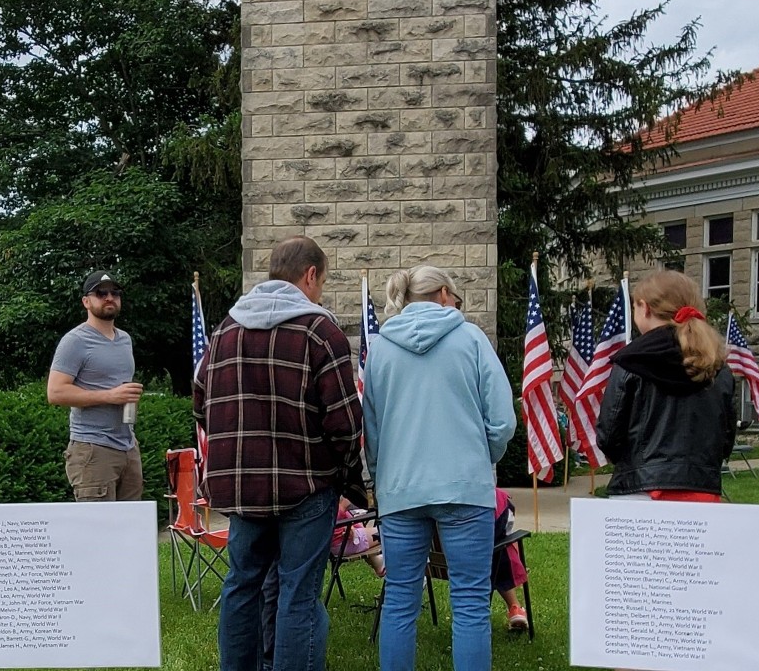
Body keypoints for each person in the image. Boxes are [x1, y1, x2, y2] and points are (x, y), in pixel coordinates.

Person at [194, 235, 363, 671]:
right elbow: (345, 423)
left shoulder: (224, 331)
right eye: (322, 282)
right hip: (306, 485)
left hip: (242, 488)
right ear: (311, 275)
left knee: (242, 585)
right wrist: (345, 476)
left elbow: (200, 403)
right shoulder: (320, 331)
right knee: (298, 594)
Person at [362, 264, 517, 671]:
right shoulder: (471, 339)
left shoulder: (380, 349)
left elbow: (371, 429)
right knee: (470, 602)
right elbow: (502, 421)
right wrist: (482, 457)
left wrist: (381, 477)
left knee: (400, 599)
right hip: (465, 486)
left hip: (400, 488)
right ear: (445, 294)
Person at [596, 270, 736, 501]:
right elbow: (726, 438)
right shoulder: (717, 367)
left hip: (639, 489)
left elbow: (609, 435)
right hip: (701, 489)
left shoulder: (631, 361)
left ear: (644, 307)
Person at [47, 270, 144, 501]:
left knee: (130, 523)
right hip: (93, 448)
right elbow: (55, 392)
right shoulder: (75, 341)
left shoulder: (124, 339)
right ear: (86, 302)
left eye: (115, 293)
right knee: (99, 524)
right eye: (101, 293)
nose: (109, 297)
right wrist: (110, 396)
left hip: (128, 446)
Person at [491, 488, 528, 631]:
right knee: (503, 547)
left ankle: (515, 608)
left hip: (442, 564)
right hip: (486, 564)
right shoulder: (495, 497)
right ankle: (515, 608)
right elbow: (507, 528)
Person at [331, 496, 385, 577]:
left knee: (372, 529)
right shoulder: (341, 502)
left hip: (332, 547)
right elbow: (344, 510)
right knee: (387, 531)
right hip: (344, 543)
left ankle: (378, 564)